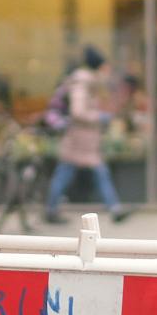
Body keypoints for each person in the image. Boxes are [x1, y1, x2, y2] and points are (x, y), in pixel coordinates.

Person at [44, 46, 129, 223]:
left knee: (91, 172)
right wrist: (100, 117)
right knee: (71, 172)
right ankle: (51, 210)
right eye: (104, 68)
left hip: (84, 140)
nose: (107, 72)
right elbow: (78, 112)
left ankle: (114, 207)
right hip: (78, 139)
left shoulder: (87, 83)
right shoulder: (82, 84)